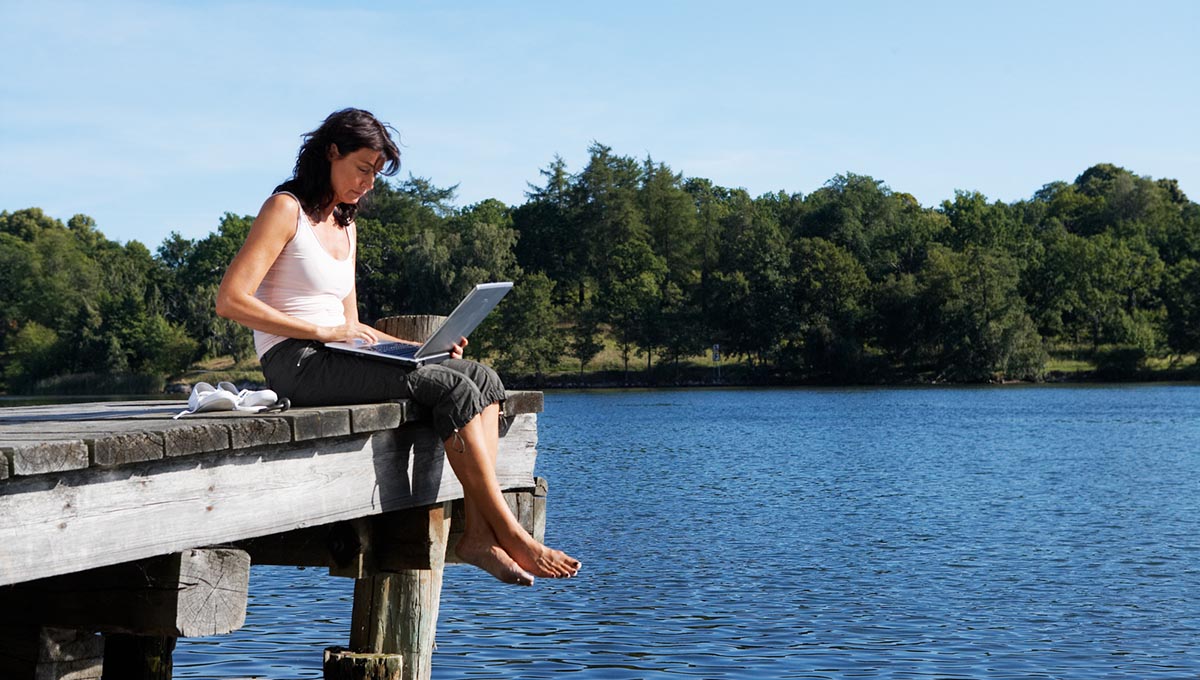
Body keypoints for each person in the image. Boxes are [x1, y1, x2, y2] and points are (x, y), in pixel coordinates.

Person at [216, 108, 580, 586]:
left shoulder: (346, 225)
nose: (368, 184)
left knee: (482, 377)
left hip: (340, 352)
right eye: (363, 168)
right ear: (331, 153)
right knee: (451, 389)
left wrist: (418, 346)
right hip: (297, 361)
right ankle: (508, 531)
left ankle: (475, 536)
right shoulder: (285, 209)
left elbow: (351, 323)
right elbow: (230, 300)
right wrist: (314, 332)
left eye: (376, 175)